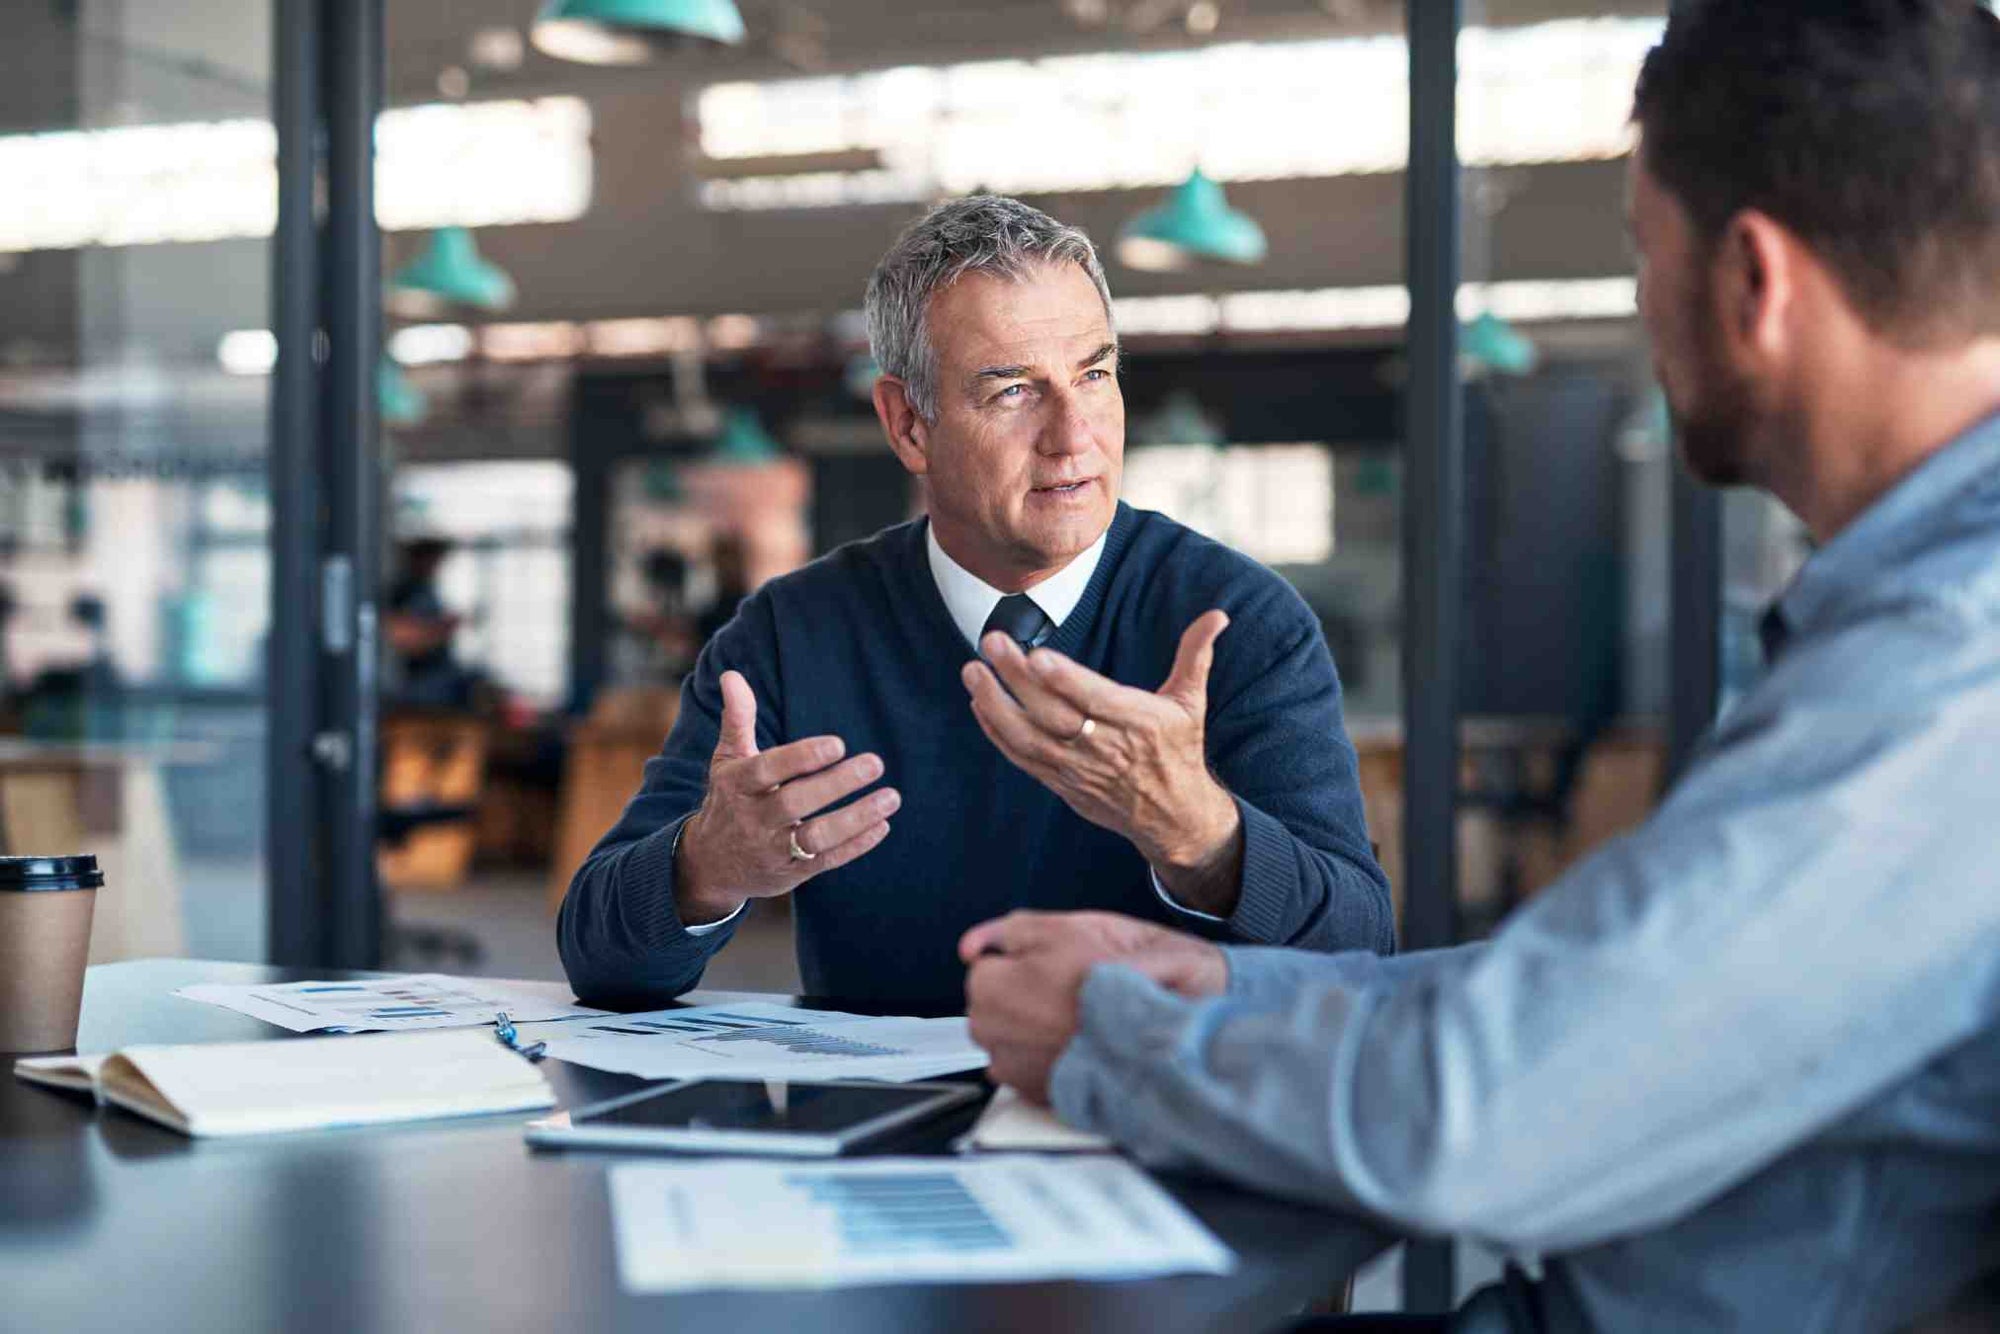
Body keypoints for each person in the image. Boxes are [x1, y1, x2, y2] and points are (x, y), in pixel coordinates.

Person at [960, 3, 2000, 1329]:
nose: (1645, 312)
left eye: (1646, 253)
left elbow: (1490, 1106)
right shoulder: (1916, 621)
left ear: (1754, 282)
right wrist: (1226, 982)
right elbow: (1608, 1000)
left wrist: (1114, 1037)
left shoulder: (1950, 661)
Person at [558, 195, 1392, 1010]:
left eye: (1094, 375)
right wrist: (704, 865)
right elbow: (598, 960)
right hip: (870, 1133)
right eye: (1014, 391)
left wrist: (1204, 838)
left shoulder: (1240, 624)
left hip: (1143, 1117)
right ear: (908, 424)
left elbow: (1362, 954)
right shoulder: (787, 636)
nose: (1075, 437)